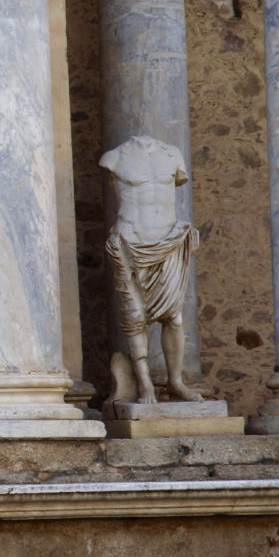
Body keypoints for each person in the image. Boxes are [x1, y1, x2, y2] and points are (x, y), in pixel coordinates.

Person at [101, 134, 204, 405]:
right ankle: (145, 384)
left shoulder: (172, 154)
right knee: (134, 316)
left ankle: (176, 382)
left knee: (174, 316)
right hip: (131, 241)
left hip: (168, 240)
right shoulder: (115, 157)